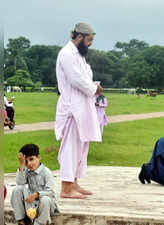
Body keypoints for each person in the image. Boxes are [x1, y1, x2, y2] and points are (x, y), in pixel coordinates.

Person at [55, 22, 102, 199]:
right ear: (80, 37)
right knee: (71, 146)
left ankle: (73, 182)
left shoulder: (79, 55)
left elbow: (84, 78)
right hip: (72, 107)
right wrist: (94, 89)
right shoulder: (67, 54)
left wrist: (94, 86)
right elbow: (76, 80)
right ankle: (66, 188)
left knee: (81, 146)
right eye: (89, 40)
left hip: (82, 106)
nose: (90, 43)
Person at [11, 144, 59, 225]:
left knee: (45, 200)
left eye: (31, 159)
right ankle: (22, 221)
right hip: (31, 205)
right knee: (17, 190)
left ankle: (39, 223)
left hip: (45, 205)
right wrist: (22, 165)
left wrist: (36, 195)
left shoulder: (46, 172)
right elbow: (20, 183)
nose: (29, 163)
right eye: (26, 161)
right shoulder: (26, 170)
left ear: (39, 157)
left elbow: (51, 192)